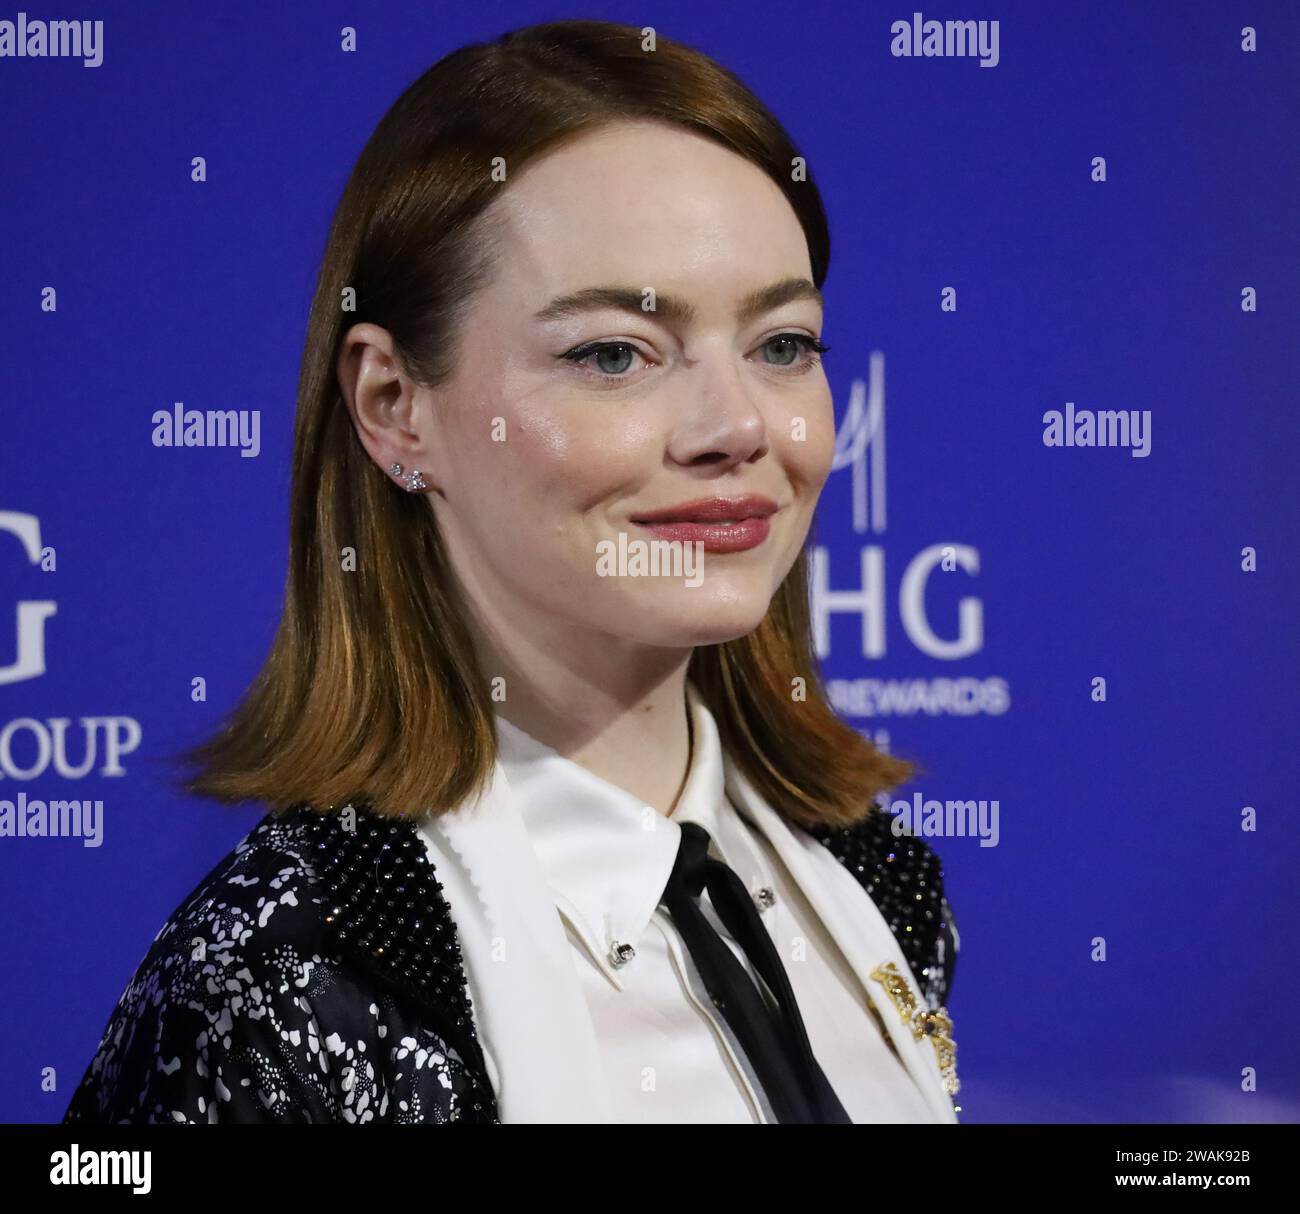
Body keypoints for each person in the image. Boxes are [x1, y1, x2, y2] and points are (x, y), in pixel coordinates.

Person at [62, 17, 959, 1125]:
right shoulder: (284, 984)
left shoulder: (874, 885)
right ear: (395, 407)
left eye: (782, 343)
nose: (738, 425)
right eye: (612, 354)